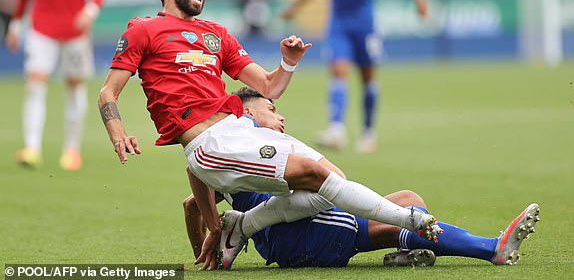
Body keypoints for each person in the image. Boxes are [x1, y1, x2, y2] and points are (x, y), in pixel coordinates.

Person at [98, 0, 441, 272]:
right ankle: (411, 220)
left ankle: (242, 226)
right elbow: (108, 92)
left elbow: (268, 86)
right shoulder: (144, 29)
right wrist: (118, 133)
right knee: (318, 177)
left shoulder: (216, 34)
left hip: (241, 129)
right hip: (210, 141)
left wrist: (287, 64)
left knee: (329, 177)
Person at [182, 88, 540, 269]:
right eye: (272, 109)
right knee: (397, 215)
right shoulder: (243, 148)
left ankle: (407, 253)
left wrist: (207, 245)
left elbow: (190, 206)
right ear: (245, 111)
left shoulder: (236, 154)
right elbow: (328, 182)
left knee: (408, 199)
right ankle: (491, 249)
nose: (281, 117)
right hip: (303, 233)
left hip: (298, 236)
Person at [281, 0, 428, 153]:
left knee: (368, 77)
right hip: (338, 23)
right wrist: (295, 7)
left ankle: (368, 132)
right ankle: (336, 129)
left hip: (365, 23)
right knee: (338, 72)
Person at [6, 0, 104, 170]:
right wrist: (15, 24)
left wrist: (91, 9)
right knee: (35, 84)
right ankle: (31, 148)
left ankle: (72, 150)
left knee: (74, 86)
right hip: (41, 29)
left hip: (74, 31)